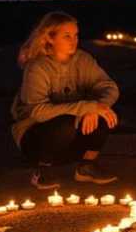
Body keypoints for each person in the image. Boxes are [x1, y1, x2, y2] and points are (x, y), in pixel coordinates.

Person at [11, 12, 120, 188]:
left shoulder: (83, 60)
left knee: (104, 116)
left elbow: (109, 87)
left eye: (76, 35)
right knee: (65, 124)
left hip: (72, 139)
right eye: (67, 36)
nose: (74, 40)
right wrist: (87, 107)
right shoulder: (37, 67)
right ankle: (42, 170)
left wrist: (97, 108)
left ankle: (86, 166)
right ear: (49, 38)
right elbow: (37, 112)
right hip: (35, 138)